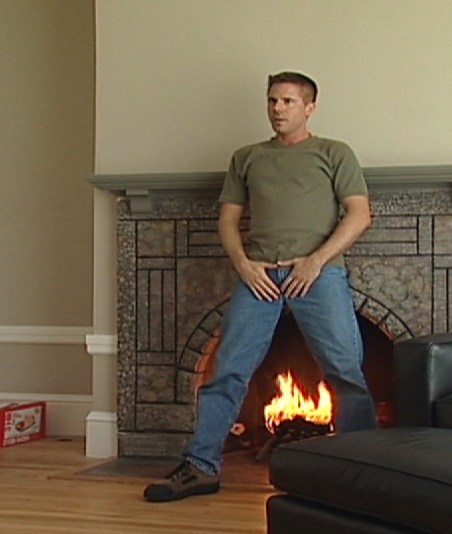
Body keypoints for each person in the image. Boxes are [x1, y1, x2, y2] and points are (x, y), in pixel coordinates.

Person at [143, 71, 378, 502]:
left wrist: (315, 261)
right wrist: (244, 266)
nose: (277, 109)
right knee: (228, 369)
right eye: (272, 100)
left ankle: (363, 470)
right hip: (259, 276)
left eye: (288, 101)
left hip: (318, 275)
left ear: (310, 107)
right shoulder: (247, 157)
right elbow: (228, 219)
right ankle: (201, 467)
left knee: (344, 369)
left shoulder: (334, 152)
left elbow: (359, 214)